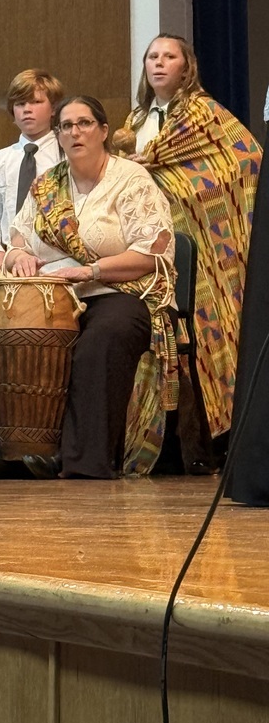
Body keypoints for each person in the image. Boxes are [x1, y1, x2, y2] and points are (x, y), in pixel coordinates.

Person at [0, 96, 177, 480]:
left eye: (84, 123)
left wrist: (90, 272)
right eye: (66, 126)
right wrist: (18, 257)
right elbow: (17, 241)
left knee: (100, 338)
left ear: (104, 131)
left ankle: (81, 460)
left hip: (120, 292)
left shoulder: (131, 179)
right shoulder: (47, 185)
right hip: (52, 296)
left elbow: (150, 253)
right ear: (57, 135)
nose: (75, 132)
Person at [125, 34, 261, 465]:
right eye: (153, 56)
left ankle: (218, 441)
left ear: (187, 66)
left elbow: (246, 159)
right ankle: (169, 448)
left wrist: (188, 193)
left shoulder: (204, 115)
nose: (159, 63)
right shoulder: (134, 122)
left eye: (170, 56)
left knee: (208, 333)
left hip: (205, 248)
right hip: (148, 248)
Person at [0, 70, 64, 278]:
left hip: (55, 259)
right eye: (20, 104)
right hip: (10, 259)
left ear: (53, 108)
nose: (27, 110)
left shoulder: (66, 155)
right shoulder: (0, 160)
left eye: (35, 102)